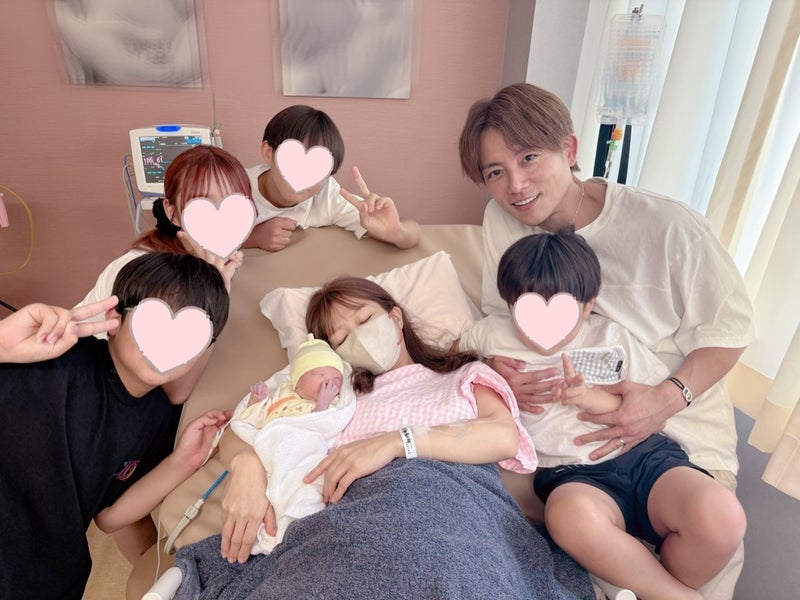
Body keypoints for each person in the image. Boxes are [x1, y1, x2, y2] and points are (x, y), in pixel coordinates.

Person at [458, 83, 753, 597]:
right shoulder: (501, 219)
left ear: (569, 149)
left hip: (675, 439)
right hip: (571, 462)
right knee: (570, 525)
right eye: (495, 172)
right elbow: (496, 323)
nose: (516, 185)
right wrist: (496, 369)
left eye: (529, 158)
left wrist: (663, 400)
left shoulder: (667, 226)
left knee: (716, 521)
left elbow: (730, 332)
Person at [460, 229, 745, 599]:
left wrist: (588, 397)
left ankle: (656, 586)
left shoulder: (612, 338)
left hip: (644, 457)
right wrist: (487, 370)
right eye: (524, 308)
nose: (539, 329)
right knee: (568, 519)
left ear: (587, 305)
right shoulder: (491, 335)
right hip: (571, 475)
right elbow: (445, 362)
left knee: (722, 517)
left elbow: (652, 405)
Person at [216, 275, 537, 563]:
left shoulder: (463, 375)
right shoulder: (336, 396)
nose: (359, 337)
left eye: (365, 319)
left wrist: (395, 442)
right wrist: (247, 466)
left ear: (395, 316)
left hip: (454, 515)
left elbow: (503, 436)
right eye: (341, 339)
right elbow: (241, 427)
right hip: (352, 527)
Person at [0, 252, 231, 600]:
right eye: (153, 323)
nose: (167, 344)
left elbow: (108, 517)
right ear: (114, 318)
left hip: (47, 580)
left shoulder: (156, 419)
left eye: (191, 336)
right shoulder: (52, 359)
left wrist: (184, 460)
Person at [77, 144, 252, 402]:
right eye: (202, 204)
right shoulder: (152, 275)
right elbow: (175, 392)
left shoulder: (201, 256)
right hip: (96, 391)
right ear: (173, 212)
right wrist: (218, 293)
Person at [228, 336, 355, 555]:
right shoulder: (280, 396)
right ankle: (272, 536)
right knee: (272, 492)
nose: (329, 382)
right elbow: (253, 420)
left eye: (336, 378)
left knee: (304, 488)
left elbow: (325, 426)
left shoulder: (329, 404)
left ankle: (298, 526)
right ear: (298, 381)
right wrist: (257, 399)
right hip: (273, 449)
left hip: (304, 453)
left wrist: (323, 404)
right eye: (320, 374)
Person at [243, 104, 421, 252]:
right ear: (268, 153)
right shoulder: (234, 184)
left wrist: (396, 231)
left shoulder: (327, 197)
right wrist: (254, 238)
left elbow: (413, 233)